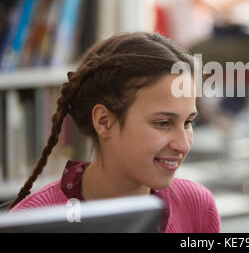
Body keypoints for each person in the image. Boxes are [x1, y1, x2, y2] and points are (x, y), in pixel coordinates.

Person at [8, 32, 221, 233]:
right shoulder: (34, 220)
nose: (183, 145)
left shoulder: (197, 205)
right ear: (104, 121)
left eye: (188, 122)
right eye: (163, 123)